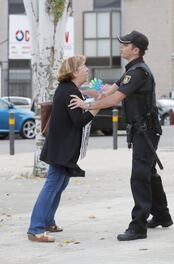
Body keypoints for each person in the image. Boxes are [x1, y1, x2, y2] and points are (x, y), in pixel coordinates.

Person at [69, 31, 173, 241]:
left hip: (146, 129)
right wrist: (87, 88)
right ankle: (162, 215)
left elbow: (114, 99)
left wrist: (87, 105)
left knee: (140, 175)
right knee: (149, 173)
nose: (121, 47)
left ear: (135, 49)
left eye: (125, 44)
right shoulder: (132, 70)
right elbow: (108, 91)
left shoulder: (138, 72)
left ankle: (138, 226)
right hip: (142, 129)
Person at [28, 55, 100, 242]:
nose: (87, 69)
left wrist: (94, 98)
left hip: (62, 147)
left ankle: (48, 222)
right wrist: (96, 108)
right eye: (83, 66)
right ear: (74, 71)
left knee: (60, 184)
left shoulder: (70, 89)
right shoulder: (69, 92)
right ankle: (35, 228)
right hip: (61, 148)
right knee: (53, 184)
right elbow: (79, 121)